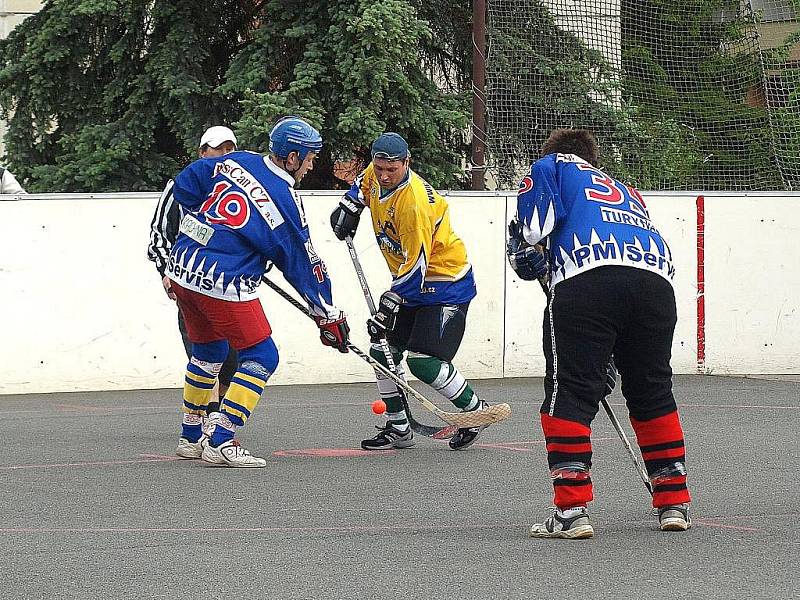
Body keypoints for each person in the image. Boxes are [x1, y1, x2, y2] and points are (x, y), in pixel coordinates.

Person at [506, 128, 691, 538]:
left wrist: (520, 244)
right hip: (655, 284)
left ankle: (571, 510)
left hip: (588, 278)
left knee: (569, 389)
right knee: (652, 389)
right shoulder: (625, 189)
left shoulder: (550, 165)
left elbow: (534, 231)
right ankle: (673, 499)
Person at [165, 116, 350, 468]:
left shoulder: (238, 160)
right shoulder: (285, 199)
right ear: (292, 157)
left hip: (182, 267)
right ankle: (220, 438)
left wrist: (202, 225)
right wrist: (328, 313)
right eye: (310, 158)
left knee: (210, 349)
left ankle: (190, 437)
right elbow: (301, 262)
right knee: (262, 356)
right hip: (221, 281)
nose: (312, 166)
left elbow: (187, 181)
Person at [330, 132, 491, 451]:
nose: (385, 175)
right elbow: (361, 187)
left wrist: (387, 306)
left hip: (445, 283)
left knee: (424, 362)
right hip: (410, 283)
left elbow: (417, 266)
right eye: (380, 168)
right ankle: (399, 427)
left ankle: (475, 412)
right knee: (382, 353)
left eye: (393, 169)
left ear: (407, 163)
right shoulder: (373, 175)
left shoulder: (413, 204)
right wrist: (349, 208)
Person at [147, 126, 240, 423]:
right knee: (204, 354)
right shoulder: (181, 186)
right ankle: (208, 416)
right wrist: (166, 272)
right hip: (190, 285)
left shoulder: (240, 192)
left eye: (229, 149)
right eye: (217, 149)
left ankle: (213, 411)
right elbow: (159, 236)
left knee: (232, 360)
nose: (224, 155)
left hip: (231, 288)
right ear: (202, 153)